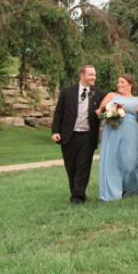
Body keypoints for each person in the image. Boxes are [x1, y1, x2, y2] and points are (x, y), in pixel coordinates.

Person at [51, 64, 105, 203]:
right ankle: (76, 191)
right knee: (71, 167)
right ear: (82, 76)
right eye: (91, 74)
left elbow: (108, 107)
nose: (94, 77)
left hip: (88, 136)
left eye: (94, 74)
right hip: (69, 135)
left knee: (83, 166)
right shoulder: (66, 92)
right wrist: (55, 131)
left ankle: (78, 196)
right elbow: (59, 113)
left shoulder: (99, 94)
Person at [96, 74, 138, 201]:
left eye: (122, 82)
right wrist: (110, 111)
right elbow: (99, 112)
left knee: (131, 161)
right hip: (113, 130)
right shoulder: (111, 96)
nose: (119, 85)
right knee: (112, 160)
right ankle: (113, 191)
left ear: (131, 85)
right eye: (118, 82)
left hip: (131, 131)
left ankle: (132, 187)